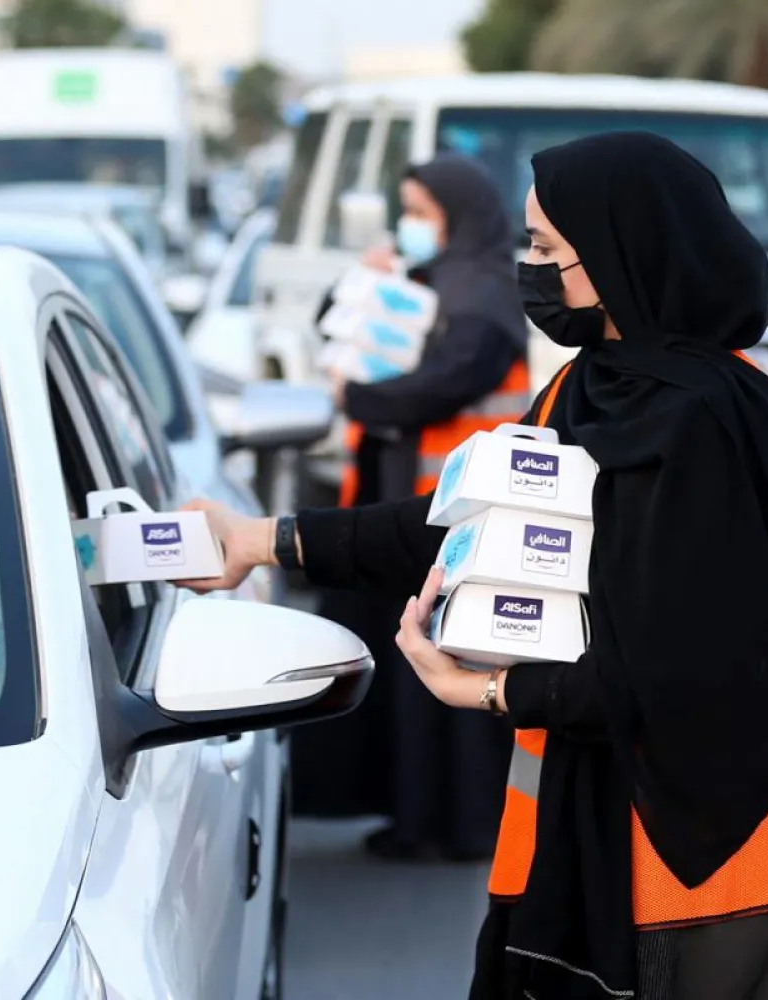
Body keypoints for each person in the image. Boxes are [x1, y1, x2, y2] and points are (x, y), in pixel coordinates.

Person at [183, 132, 768, 999]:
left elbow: (674, 672)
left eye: (548, 249)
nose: (531, 268)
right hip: (604, 844)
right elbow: (469, 524)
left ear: (624, 258)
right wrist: (262, 539)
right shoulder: (593, 390)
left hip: (720, 875)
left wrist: (488, 691)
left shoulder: (702, 430)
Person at [295, 152, 530, 862]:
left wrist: (358, 399)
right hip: (401, 504)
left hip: (456, 511)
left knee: (446, 670)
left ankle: (454, 824)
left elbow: (444, 384)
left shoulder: (484, 297)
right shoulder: (423, 279)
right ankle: (410, 814)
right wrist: (362, 277)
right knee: (402, 669)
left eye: (422, 212)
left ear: (460, 217)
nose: (410, 226)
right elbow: (340, 324)